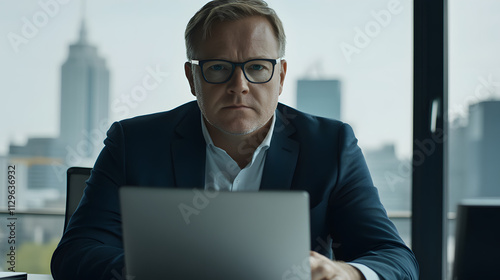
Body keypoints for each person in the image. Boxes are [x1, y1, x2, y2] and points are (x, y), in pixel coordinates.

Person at [51, 0, 419, 279]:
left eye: (257, 67)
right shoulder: (134, 142)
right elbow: (76, 253)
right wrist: (162, 269)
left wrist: (346, 273)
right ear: (192, 78)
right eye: (218, 69)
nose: (239, 86)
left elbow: (393, 257)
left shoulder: (331, 145)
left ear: (281, 75)